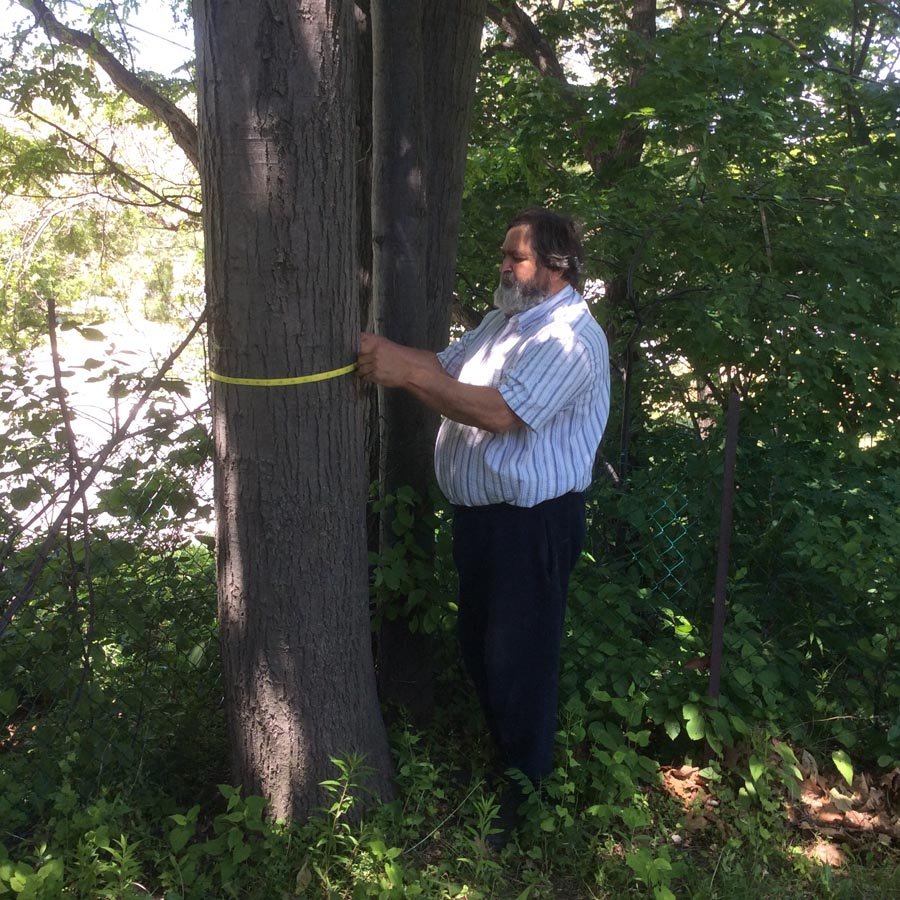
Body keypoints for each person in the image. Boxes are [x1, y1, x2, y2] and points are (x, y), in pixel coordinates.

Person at [358, 208, 610, 842]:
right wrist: (384, 355)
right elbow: (443, 366)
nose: (502, 265)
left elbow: (500, 413)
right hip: (484, 521)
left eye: (516, 258)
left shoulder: (569, 338)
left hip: (533, 526)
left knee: (519, 660)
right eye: (503, 254)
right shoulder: (505, 322)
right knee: (481, 648)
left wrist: (404, 371)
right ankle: (508, 764)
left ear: (556, 267)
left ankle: (524, 800)